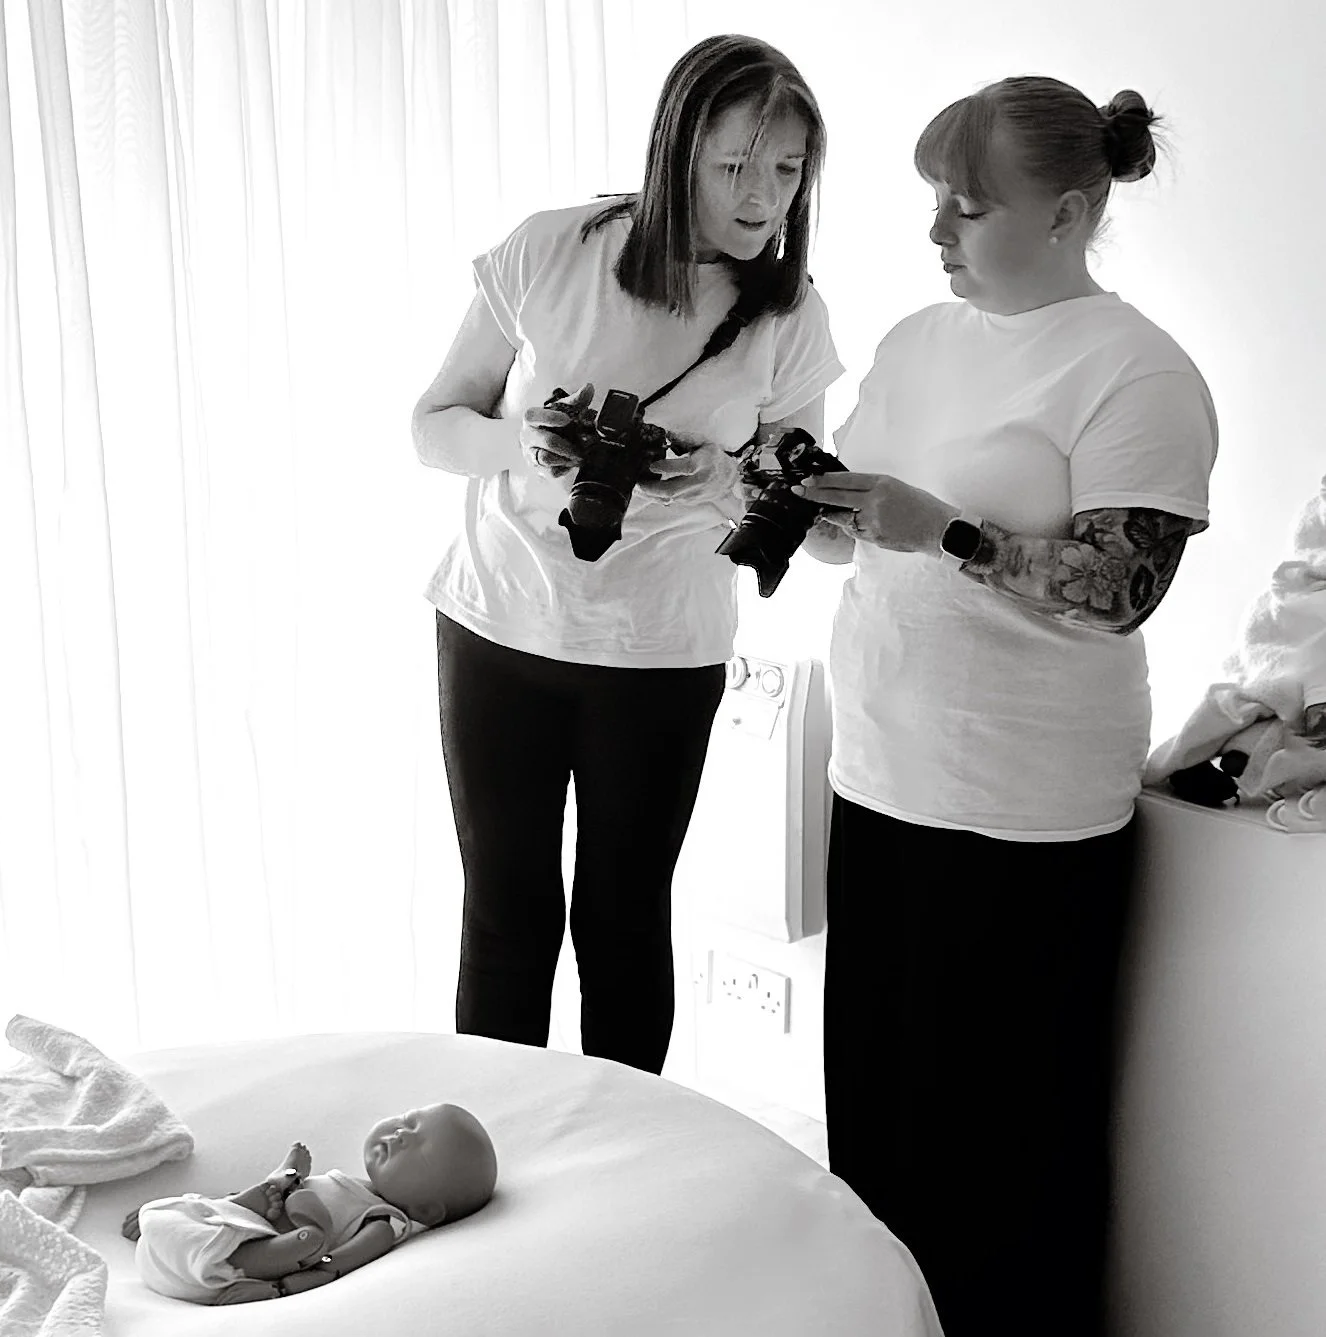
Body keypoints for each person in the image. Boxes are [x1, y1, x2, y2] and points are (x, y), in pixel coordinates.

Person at [791, 77, 1218, 1336]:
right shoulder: (919, 340)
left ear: (1070, 213)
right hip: (877, 774)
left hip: (1025, 816)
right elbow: (849, 540)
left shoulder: (1137, 370)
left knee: (1001, 1145)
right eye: (933, 204)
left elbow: (1119, 585)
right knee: (874, 1120)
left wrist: (953, 534)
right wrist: (802, 493)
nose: (936, 235)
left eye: (966, 210)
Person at [411, 34, 843, 1076]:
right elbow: (432, 424)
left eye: (784, 170)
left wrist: (723, 480)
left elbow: (813, 513)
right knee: (506, 915)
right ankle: (487, 1157)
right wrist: (528, 445)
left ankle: (618, 1175)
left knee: (622, 920)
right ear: (675, 152)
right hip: (498, 625)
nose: (761, 198)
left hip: (659, 652)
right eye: (734, 166)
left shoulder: (785, 316)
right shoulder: (551, 251)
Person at [121, 1104, 498, 1304]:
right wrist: (209, 1206)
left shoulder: (382, 1222)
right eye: (408, 1120)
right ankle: (195, 1213)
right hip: (207, 1237)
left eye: (420, 1148)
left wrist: (282, 1288)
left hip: (225, 1268)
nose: (400, 1134)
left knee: (302, 1232)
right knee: (185, 1213)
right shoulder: (346, 1183)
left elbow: (339, 1264)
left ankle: (299, 1233)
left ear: (429, 1211)